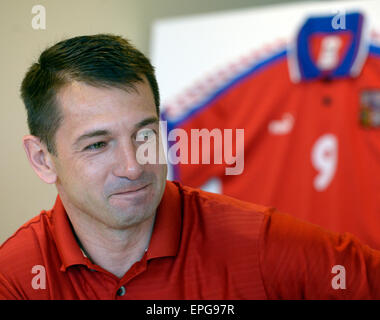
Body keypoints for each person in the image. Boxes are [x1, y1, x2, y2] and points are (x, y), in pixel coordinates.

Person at [1, 34, 380, 300]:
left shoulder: (258, 243)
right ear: (42, 159)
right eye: (98, 145)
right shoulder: (15, 278)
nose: (134, 166)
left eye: (145, 135)